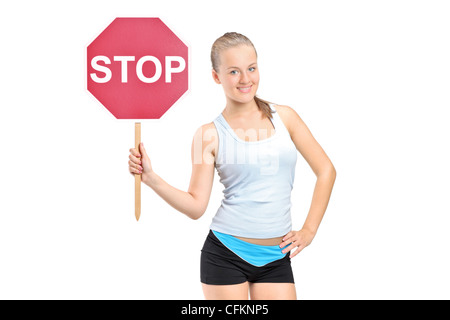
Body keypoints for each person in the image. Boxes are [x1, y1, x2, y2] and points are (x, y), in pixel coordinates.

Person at [128, 32, 336, 300]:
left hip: (276, 257)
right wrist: (151, 178)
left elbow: (326, 170)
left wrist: (309, 230)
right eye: (234, 72)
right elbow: (195, 206)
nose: (246, 79)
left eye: (251, 68)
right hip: (226, 254)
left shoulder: (286, 117)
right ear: (216, 76)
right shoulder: (209, 135)